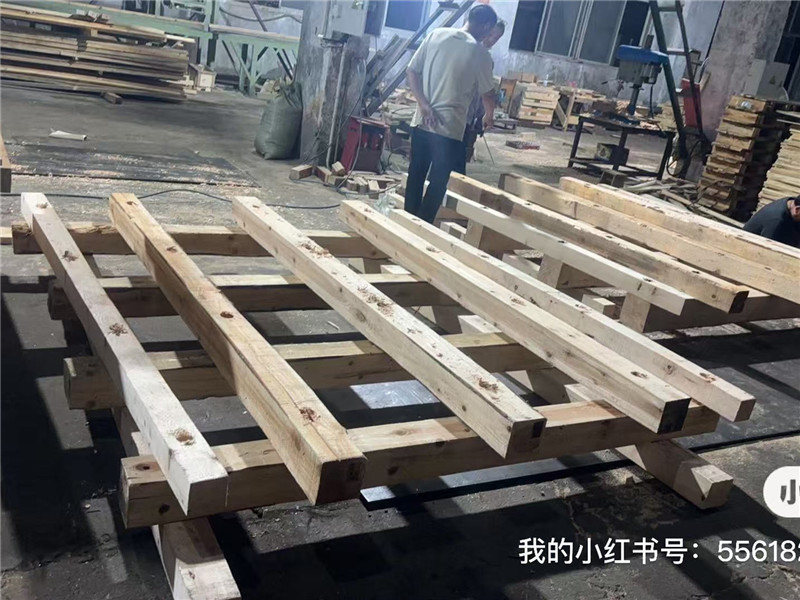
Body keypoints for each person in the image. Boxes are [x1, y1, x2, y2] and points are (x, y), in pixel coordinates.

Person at [404, 4, 498, 223]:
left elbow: (411, 71)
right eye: (491, 31)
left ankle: (407, 224)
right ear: (485, 26)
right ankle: (422, 226)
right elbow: (488, 93)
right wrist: (489, 116)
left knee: (416, 175)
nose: (489, 36)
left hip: (422, 122)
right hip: (449, 129)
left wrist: (423, 104)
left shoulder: (436, 34)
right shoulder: (480, 53)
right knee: (438, 183)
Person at [456, 19, 506, 175]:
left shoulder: (487, 59)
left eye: (496, 38)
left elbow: (483, 91)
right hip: (457, 112)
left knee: (461, 154)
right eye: (491, 35)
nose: (491, 40)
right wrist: (489, 114)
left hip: (470, 114)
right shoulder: (467, 50)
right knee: (453, 159)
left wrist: (482, 114)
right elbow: (487, 92)